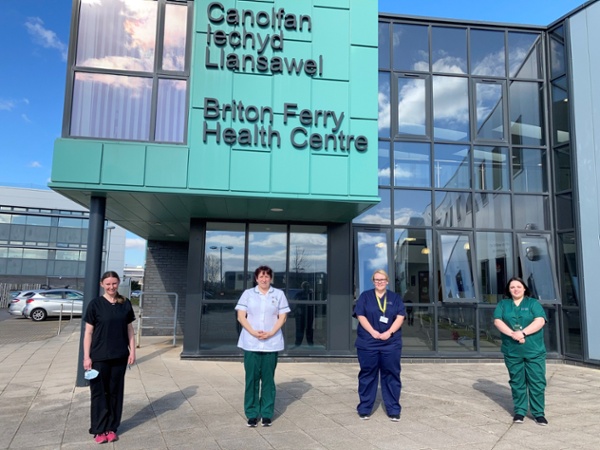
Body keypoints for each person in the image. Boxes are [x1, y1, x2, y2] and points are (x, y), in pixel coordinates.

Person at [83, 271, 136, 444]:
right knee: (99, 393)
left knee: (115, 392)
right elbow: (88, 333)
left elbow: (130, 330)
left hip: (120, 356)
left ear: (118, 283)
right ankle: (99, 429)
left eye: (114, 283)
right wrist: (86, 357)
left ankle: (111, 427)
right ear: (102, 285)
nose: (111, 287)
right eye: (108, 284)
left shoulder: (125, 303)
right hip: (99, 357)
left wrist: (132, 352)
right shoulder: (95, 305)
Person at [235, 265, 291, 427]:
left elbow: (282, 317)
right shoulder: (248, 294)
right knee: (251, 379)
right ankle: (252, 413)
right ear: (256, 278)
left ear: (271, 278)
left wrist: (271, 332)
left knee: (268, 379)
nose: (264, 279)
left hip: (271, 343)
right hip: (251, 342)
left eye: (267, 276)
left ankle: (266, 413)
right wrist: (252, 332)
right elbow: (241, 316)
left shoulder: (279, 294)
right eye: (261, 276)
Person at [493, 277, 548, 426]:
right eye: (512, 287)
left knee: (537, 382)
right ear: (509, 290)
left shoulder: (533, 303)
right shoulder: (503, 304)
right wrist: (513, 334)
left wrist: (522, 333)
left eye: (518, 286)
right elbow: (497, 321)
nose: (515, 289)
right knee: (517, 382)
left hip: (534, 351)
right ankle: (520, 411)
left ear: (524, 289)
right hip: (512, 351)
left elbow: (540, 321)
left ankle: (538, 413)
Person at [354, 269, 406, 421]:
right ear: (373, 281)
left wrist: (389, 332)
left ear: (387, 281)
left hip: (390, 343)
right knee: (367, 374)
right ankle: (364, 408)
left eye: (382, 279)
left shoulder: (395, 298)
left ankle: (393, 409)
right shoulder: (365, 296)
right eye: (376, 280)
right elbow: (360, 315)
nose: (379, 282)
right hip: (368, 342)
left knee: (391, 374)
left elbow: (400, 317)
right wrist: (373, 332)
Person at [294, 281, 314, 346]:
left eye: (308, 286)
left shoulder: (311, 294)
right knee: (299, 328)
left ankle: (310, 343)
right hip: (300, 314)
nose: (307, 288)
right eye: (305, 286)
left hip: (309, 313)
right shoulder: (299, 294)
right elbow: (295, 303)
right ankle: (298, 343)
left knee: (309, 328)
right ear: (302, 287)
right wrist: (297, 310)